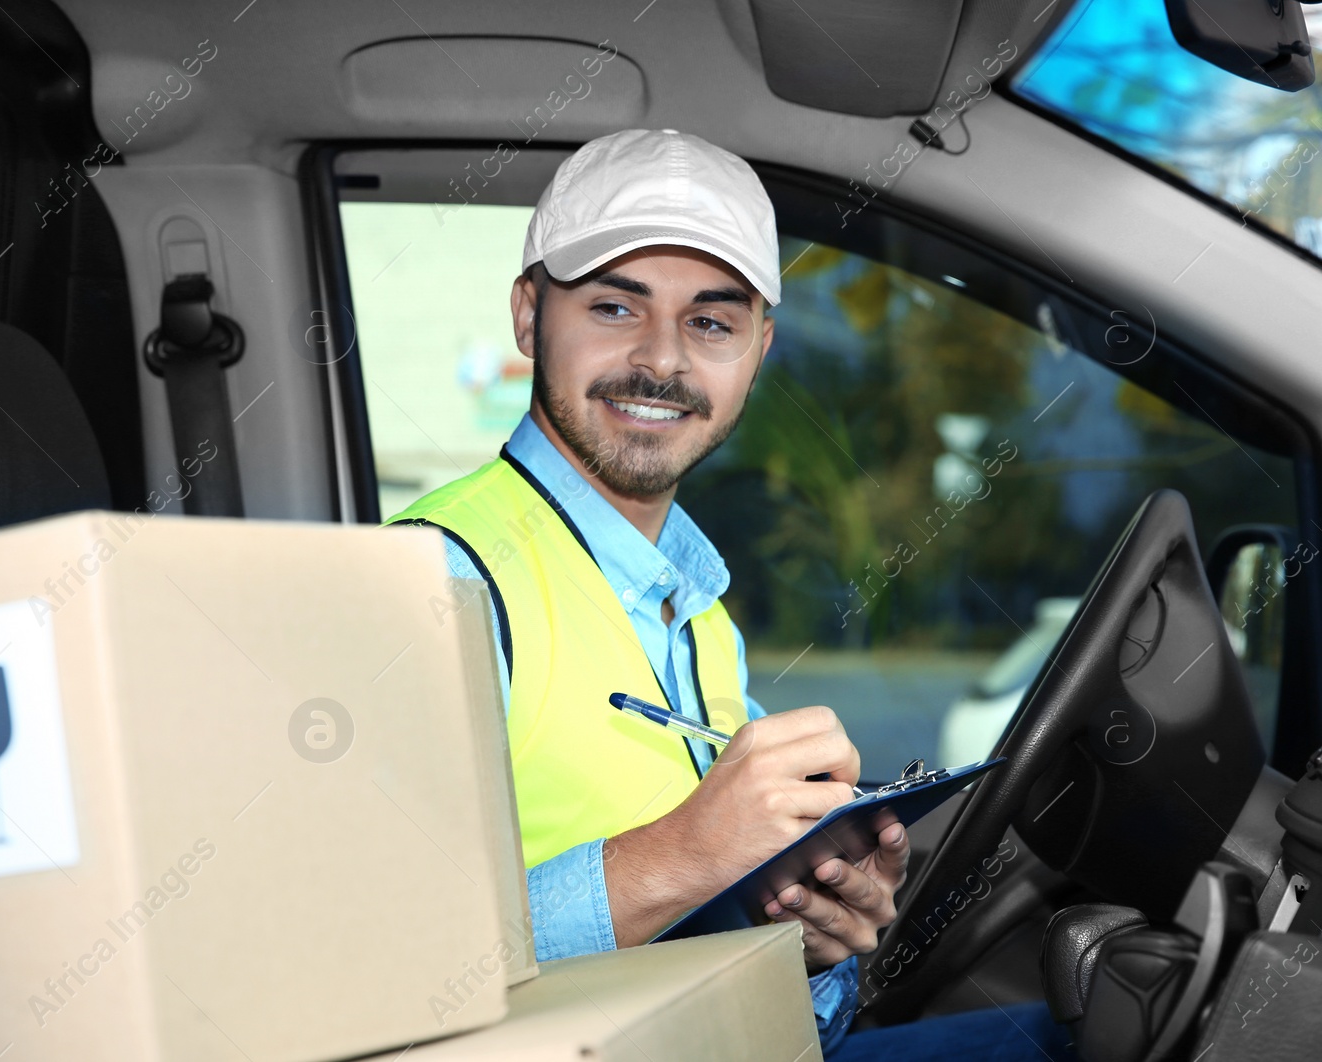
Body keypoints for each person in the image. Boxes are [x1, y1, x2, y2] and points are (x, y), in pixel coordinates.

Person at [387, 129, 1071, 1059]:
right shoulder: (435, 579)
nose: (662, 360)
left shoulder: (697, 611)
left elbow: (748, 943)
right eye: (616, 307)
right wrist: (684, 855)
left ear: (758, 350)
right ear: (526, 314)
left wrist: (807, 935)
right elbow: (378, 959)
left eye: (711, 322)